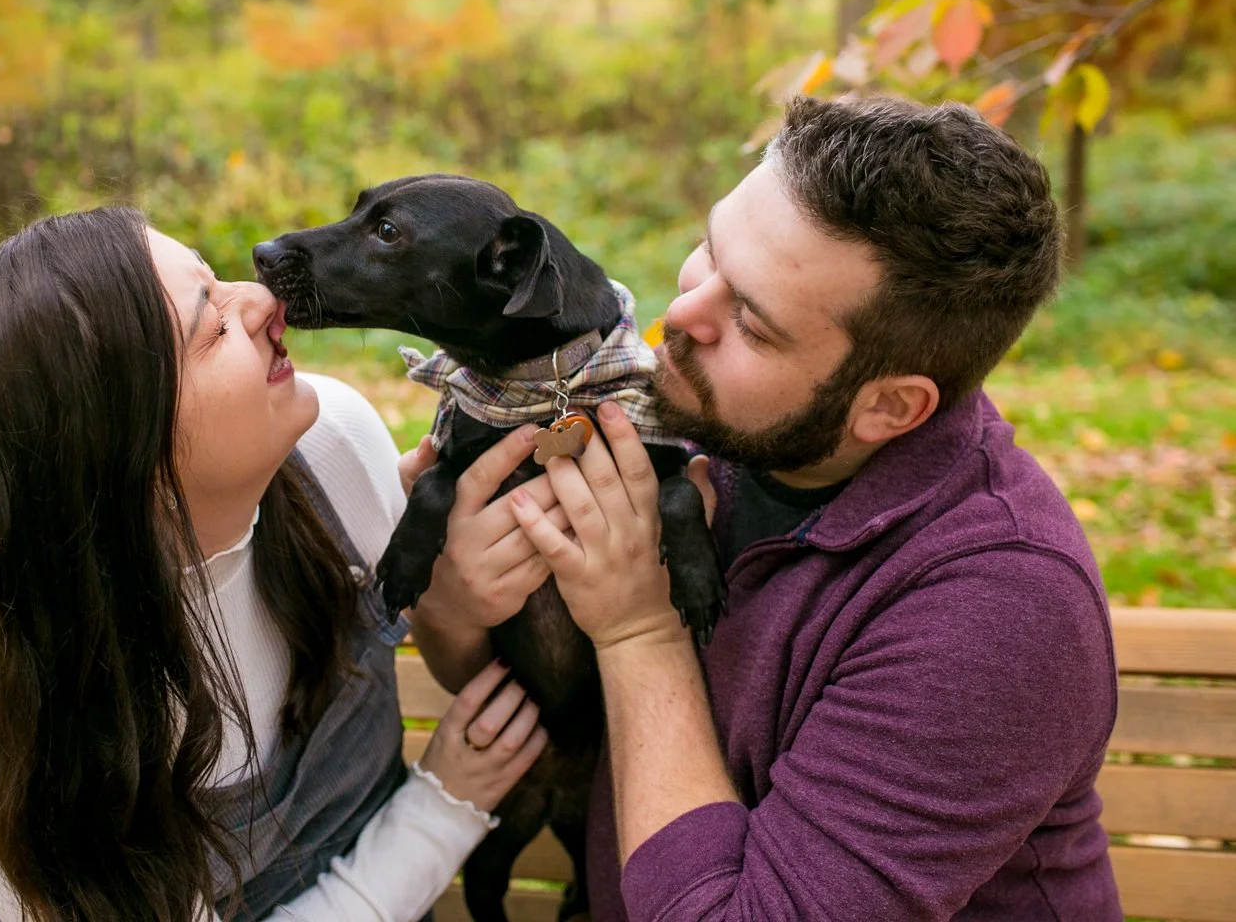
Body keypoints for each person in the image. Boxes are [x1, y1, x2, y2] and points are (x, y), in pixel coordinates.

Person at [406, 96, 1121, 920]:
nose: (679, 318)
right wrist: (454, 607)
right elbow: (551, 699)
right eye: (709, 250)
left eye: (749, 321)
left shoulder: (998, 612)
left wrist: (639, 629)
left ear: (888, 408)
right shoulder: (701, 426)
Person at [0, 206, 548, 922]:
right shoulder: (9, 739)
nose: (265, 299)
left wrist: (446, 604)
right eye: (211, 326)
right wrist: (442, 810)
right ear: (126, 457)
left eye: (216, 279)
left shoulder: (331, 447)